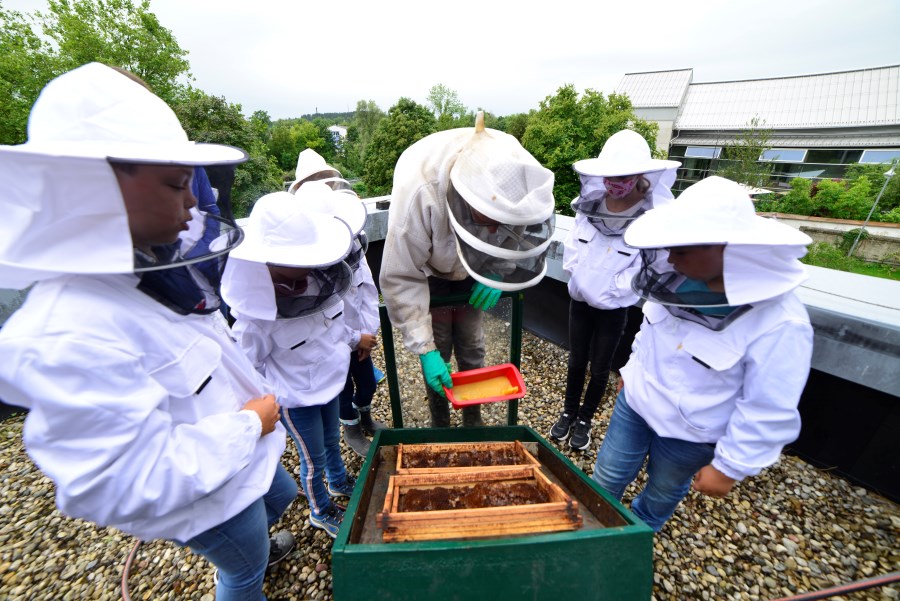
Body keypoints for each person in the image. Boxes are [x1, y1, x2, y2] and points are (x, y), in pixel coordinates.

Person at [0, 62, 296, 600]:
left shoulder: (149, 265)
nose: (192, 203)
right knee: (244, 569)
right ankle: (245, 572)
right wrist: (248, 426)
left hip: (240, 455)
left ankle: (256, 548)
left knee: (281, 493)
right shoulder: (65, 332)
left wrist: (252, 422)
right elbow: (124, 481)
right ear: (94, 186)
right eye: (176, 184)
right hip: (210, 493)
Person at [590, 175, 814, 532]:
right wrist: (630, 374)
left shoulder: (781, 321)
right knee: (606, 476)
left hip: (692, 434)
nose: (668, 258)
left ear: (727, 248)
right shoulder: (673, 279)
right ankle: (593, 529)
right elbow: (649, 334)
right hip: (636, 405)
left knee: (663, 491)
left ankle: (640, 532)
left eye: (681, 250)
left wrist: (729, 466)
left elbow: (768, 406)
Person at [380, 111, 556, 428]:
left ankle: (473, 419)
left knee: (473, 347)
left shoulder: (514, 174)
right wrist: (424, 348)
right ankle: (441, 424)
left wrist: (499, 272)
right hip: (430, 279)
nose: (492, 232)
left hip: (473, 279)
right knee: (439, 349)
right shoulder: (421, 188)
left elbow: (519, 234)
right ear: (464, 195)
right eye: (486, 220)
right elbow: (401, 275)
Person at [220, 187, 358, 538]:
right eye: (293, 264)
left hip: (330, 385)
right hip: (296, 401)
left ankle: (340, 483)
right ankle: (320, 510)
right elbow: (245, 370)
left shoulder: (319, 285)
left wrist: (356, 339)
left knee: (332, 440)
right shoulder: (254, 320)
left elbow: (334, 331)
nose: (304, 270)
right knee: (312, 459)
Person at [551, 130, 681, 450]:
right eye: (610, 176)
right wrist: (581, 280)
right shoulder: (591, 204)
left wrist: (610, 291)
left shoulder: (650, 215)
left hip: (613, 310)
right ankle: (568, 412)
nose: (615, 182)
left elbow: (648, 266)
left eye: (622, 176)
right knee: (577, 359)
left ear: (640, 175)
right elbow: (573, 247)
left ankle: (585, 420)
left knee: (600, 367)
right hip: (579, 301)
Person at [289, 150, 386, 456]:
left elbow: (367, 289)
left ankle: (365, 415)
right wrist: (355, 337)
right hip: (332, 343)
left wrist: (368, 335)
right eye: (313, 182)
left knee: (367, 383)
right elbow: (321, 314)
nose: (321, 186)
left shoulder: (351, 236)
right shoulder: (304, 254)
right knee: (341, 389)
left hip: (360, 336)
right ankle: (351, 426)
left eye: (323, 181)